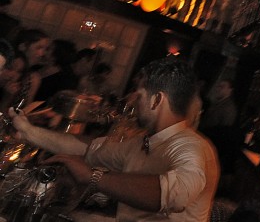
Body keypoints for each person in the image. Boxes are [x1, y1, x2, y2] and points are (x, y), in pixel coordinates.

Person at [10, 56, 220, 222]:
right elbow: (87, 147)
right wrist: (28, 131)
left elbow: (177, 193)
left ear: (157, 100)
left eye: (139, 95)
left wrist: (93, 177)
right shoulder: (143, 144)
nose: (133, 102)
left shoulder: (191, 146)